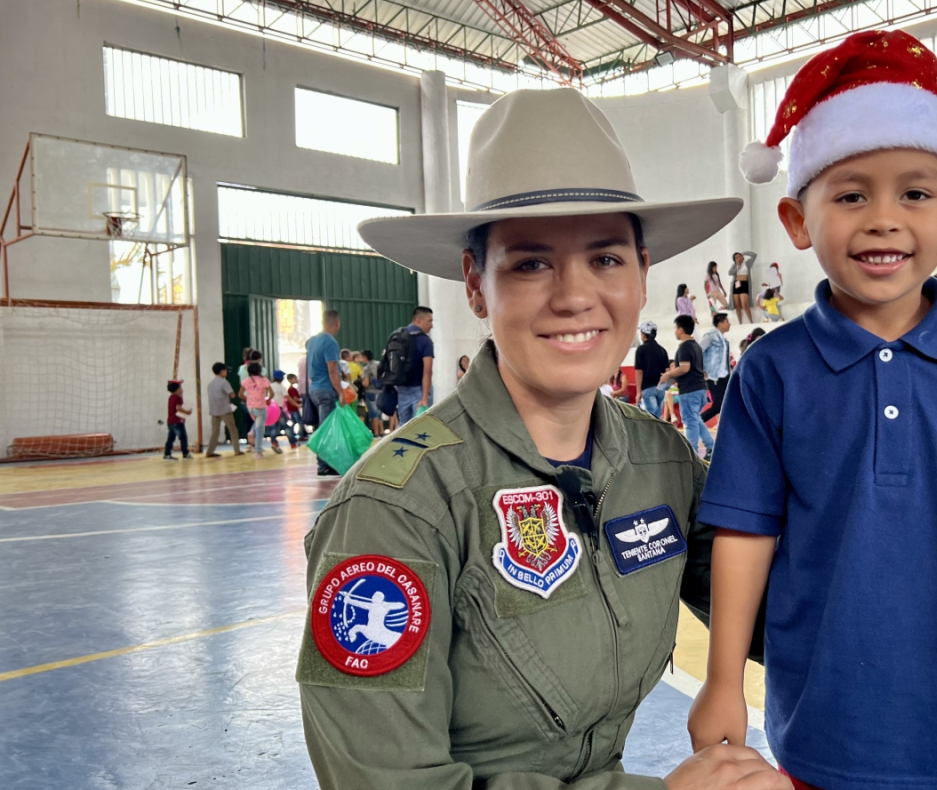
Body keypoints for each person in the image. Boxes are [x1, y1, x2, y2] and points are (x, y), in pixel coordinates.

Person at [300, 87, 797, 790]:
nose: (573, 295)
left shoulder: (661, 462)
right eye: (531, 263)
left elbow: (791, 611)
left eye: (606, 258)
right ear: (476, 285)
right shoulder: (393, 513)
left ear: (642, 271)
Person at [693, 31, 937, 789]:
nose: (882, 218)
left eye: (915, 191)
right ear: (798, 221)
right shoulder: (771, 371)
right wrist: (721, 681)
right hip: (819, 745)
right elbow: (745, 535)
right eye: (849, 194)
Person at [662, 314, 715, 458]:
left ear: (680, 330)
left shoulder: (685, 347)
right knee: (696, 419)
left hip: (690, 390)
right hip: (700, 388)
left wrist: (668, 375)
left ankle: (692, 455)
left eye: (675, 328)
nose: (674, 331)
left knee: (690, 422)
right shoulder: (696, 346)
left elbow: (685, 368)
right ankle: (711, 447)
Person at [305, 308, 345, 476]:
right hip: (327, 390)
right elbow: (332, 371)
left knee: (323, 427)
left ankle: (326, 463)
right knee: (328, 429)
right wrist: (341, 391)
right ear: (337, 323)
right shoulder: (330, 342)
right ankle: (324, 465)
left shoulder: (313, 341)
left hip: (314, 389)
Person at [394, 307, 435, 424]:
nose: (431, 325)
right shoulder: (425, 341)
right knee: (421, 427)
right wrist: (425, 397)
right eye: (429, 321)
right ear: (418, 320)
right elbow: (427, 371)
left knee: (403, 426)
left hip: (401, 389)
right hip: (419, 389)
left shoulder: (397, 335)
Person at [634, 321, 670, 418]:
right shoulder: (662, 350)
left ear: (643, 335)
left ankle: (654, 433)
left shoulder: (641, 350)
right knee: (657, 415)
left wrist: (638, 392)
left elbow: (639, 372)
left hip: (648, 387)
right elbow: (667, 371)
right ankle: (659, 432)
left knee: (652, 416)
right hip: (661, 388)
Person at [205, 362, 242, 457]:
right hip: (225, 410)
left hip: (214, 411)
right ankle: (237, 450)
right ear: (222, 371)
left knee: (215, 431)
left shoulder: (211, 384)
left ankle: (210, 451)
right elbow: (232, 394)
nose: (226, 372)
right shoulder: (224, 382)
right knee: (233, 430)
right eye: (225, 370)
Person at [700, 312, 732, 421]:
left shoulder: (725, 340)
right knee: (718, 406)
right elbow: (698, 351)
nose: (729, 324)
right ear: (720, 323)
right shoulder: (710, 336)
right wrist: (702, 369)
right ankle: (698, 422)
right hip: (714, 376)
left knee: (727, 404)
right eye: (727, 321)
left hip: (725, 376)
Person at [239, 362, 274, 459]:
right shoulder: (264, 380)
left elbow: (240, 395)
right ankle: (258, 452)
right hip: (261, 407)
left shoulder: (246, 381)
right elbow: (271, 393)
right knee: (260, 430)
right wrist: (268, 400)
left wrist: (249, 400)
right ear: (260, 370)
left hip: (250, 408)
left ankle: (251, 431)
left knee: (257, 423)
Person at [267, 369, 297, 451]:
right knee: (286, 427)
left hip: (270, 409)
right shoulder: (281, 387)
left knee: (273, 427)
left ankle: (274, 442)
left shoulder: (270, 386)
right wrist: (297, 404)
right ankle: (293, 443)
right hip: (278, 409)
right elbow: (289, 398)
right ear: (281, 378)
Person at [163, 380, 192, 460]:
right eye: (180, 388)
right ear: (177, 389)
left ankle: (167, 454)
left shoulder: (171, 397)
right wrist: (187, 412)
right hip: (177, 422)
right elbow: (178, 408)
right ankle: (185, 453)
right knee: (183, 437)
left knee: (171, 438)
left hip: (171, 422)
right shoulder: (178, 398)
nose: (182, 389)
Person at [731, 251, 755, 324]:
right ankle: (740, 322)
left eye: (740, 256)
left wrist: (744, 253)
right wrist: (737, 266)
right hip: (737, 284)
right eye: (736, 258)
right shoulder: (735, 266)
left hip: (744, 283)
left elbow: (754, 255)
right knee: (737, 305)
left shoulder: (747, 264)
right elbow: (730, 272)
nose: (738, 258)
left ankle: (751, 321)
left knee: (744, 304)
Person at [284, 373, 305, 442]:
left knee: (294, 422)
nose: (296, 380)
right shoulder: (292, 389)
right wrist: (302, 399)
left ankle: (294, 435)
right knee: (300, 422)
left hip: (292, 408)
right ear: (290, 380)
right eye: (295, 378)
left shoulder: (291, 389)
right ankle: (299, 436)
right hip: (294, 408)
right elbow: (295, 398)